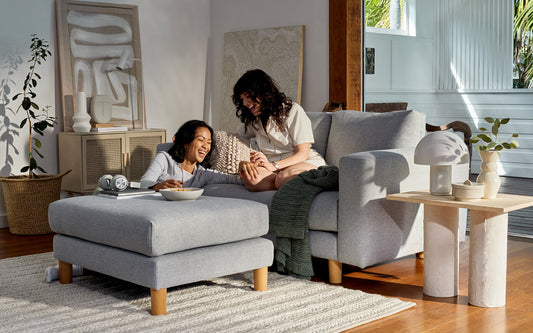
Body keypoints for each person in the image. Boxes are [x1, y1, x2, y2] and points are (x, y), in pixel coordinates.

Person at [233, 69, 326, 191]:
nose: (245, 103)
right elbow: (236, 138)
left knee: (284, 178)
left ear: (263, 93)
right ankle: (286, 185)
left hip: (303, 163)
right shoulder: (253, 120)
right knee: (251, 178)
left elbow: (303, 153)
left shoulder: (292, 111)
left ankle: (317, 179)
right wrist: (243, 162)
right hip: (273, 168)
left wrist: (273, 166)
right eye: (242, 99)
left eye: (249, 97)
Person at [140, 120, 242, 191]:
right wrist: (158, 186)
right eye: (201, 140)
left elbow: (232, 179)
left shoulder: (202, 174)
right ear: (186, 142)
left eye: (209, 142)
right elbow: (144, 182)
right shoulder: (164, 159)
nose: (205, 146)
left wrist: (247, 169)